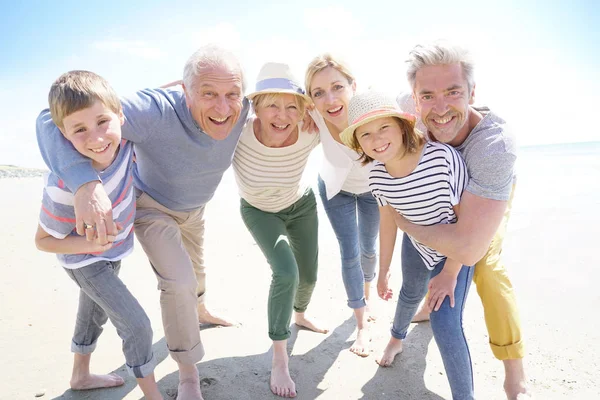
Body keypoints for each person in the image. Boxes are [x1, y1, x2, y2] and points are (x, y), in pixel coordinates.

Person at [36, 45, 250, 400]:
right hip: (153, 206)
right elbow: (51, 117)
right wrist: (85, 184)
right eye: (208, 93)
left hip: (196, 208)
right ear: (184, 90)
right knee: (178, 281)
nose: (223, 107)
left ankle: (200, 309)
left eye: (232, 94)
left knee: (195, 274)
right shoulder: (153, 110)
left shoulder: (244, 109)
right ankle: (188, 373)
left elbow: (295, 100)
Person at [394, 42, 530, 399]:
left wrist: (446, 268)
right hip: (442, 199)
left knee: (487, 267)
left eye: (453, 92)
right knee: (423, 270)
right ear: (414, 97)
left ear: (472, 92)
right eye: (427, 96)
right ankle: (422, 305)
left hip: (487, 194)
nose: (439, 108)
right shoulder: (408, 111)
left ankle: (514, 371)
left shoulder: (493, 148)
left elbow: (470, 245)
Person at [34, 71, 162, 400]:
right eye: (79, 130)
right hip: (84, 261)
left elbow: (156, 98)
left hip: (113, 253)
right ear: (63, 135)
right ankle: (152, 394)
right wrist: (91, 243)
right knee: (136, 324)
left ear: (120, 115)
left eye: (102, 121)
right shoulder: (63, 187)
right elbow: (42, 241)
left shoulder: (124, 146)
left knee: (93, 314)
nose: (96, 138)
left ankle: (80, 375)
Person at [340, 90, 474, 399]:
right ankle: (396, 338)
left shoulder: (441, 159)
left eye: (383, 127)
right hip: (416, 244)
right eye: (366, 134)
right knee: (409, 293)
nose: (376, 138)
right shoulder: (376, 175)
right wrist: (383, 269)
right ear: (359, 143)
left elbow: (467, 225)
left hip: (456, 250)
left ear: (402, 125)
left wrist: (450, 273)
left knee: (445, 322)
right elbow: (389, 220)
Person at [233, 62, 325, 398]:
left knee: (310, 276)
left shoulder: (310, 130)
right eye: (272, 104)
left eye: (292, 106)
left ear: (303, 110)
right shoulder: (237, 131)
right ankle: (279, 356)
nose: (282, 115)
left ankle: (299, 314)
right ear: (255, 106)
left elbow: (348, 121)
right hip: (259, 211)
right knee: (286, 273)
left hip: (301, 206)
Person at [304, 54, 380, 357]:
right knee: (349, 253)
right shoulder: (314, 115)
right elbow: (262, 108)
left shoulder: (373, 111)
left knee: (369, 248)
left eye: (337, 87)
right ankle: (361, 323)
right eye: (318, 92)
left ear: (353, 86)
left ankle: (367, 294)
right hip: (336, 190)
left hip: (374, 191)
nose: (330, 99)